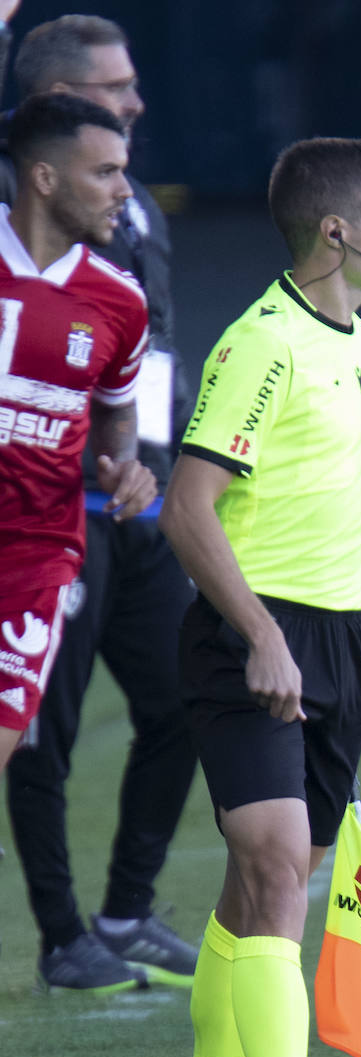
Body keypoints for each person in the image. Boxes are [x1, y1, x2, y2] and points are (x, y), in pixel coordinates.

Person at [156, 137, 361, 1057]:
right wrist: (260, 632)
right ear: (337, 231)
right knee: (270, 868)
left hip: (341, 641)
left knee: (266, 885)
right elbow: (187, 506)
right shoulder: (262, 344)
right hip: (249, 636)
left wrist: (316, 645)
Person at [1, 13, 202, 995]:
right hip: (49, 510)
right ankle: (58, 933)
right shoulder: (25, 196)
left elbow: (138, 360)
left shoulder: (129, 209)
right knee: (41, 721)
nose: (136, 99)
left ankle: (125, 911)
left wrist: (156, 461)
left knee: (188, 694)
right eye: (115, 86)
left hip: (134, 496)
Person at [0, 92, 154, 775]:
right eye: (105, 173)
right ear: (44, 178)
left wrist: (124, 461)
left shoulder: (121, 300)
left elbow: (117, 410)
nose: (124, 190)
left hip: (34, 559)